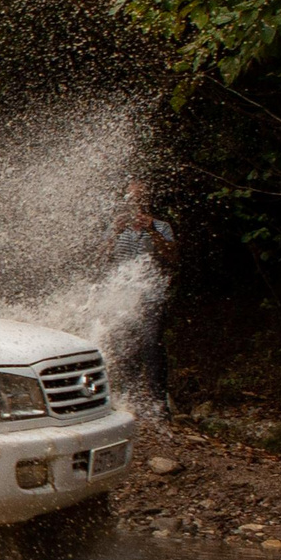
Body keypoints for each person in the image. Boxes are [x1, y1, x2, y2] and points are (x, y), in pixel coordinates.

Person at [101, 179, 177, 418]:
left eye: (139, 197)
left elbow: (172, 257)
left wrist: (152, 230)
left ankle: (158, 402)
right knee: (123, 346)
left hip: (150, 294)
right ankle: (126, 401)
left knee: (151, 343)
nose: (135, 202)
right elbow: (101, 258)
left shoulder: (161, 226)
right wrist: (114, 232)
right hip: (121, 296)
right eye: (131, 198)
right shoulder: (117, 226)